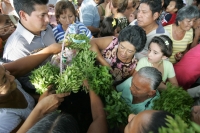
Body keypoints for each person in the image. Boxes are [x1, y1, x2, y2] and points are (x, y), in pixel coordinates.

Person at [3, 0, 59, 90]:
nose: (47, 20)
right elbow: (20, 88)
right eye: (42, 15)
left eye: (47, 14)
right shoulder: (15, 48)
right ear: (23, 15)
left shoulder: (47, 29)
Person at [0, 62, 70, 133]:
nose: (12, 77)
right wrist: (40, 109)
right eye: (4, 80)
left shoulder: (10, 84)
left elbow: (27, 96)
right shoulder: (3, 118)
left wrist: (43, 97)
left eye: (5, 70)